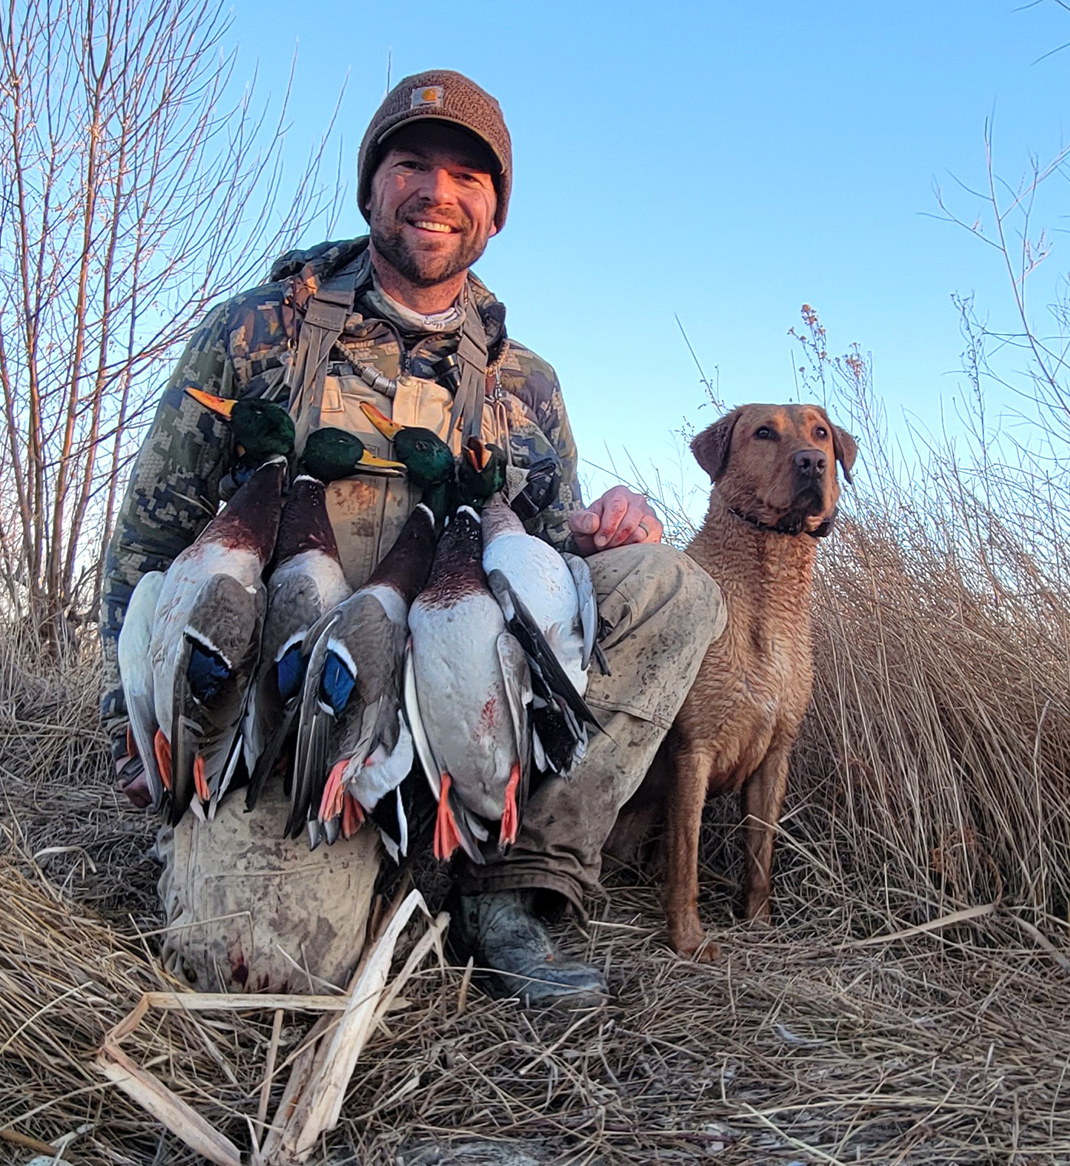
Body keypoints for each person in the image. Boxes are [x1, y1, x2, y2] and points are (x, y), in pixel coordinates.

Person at [99, 70, 724, 1009]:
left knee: (675, 588)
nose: (438, 193)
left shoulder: (525, 381)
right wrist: (135, 716)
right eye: (412, 165)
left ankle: (506, 885)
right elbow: (151, 546)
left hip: (463, 692)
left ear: (495, 213)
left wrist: (604, 530)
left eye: (468, 177)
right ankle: (313, 842)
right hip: (299, 715)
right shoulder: (256, 332)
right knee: (270, 971)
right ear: (371, 187)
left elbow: (545, 567)